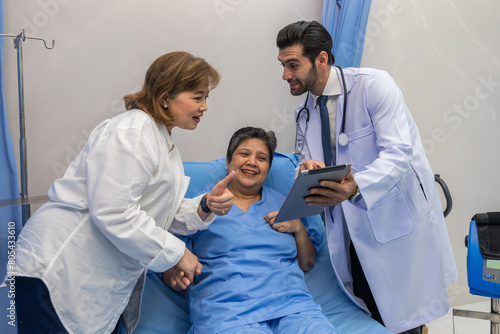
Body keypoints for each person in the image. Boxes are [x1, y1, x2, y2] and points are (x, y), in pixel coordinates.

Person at [5, 51, 235, 334]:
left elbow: (158, 214)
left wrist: (206, 205)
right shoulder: (133, 130)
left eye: (206, 98)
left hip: (89, 282)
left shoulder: (163, 143)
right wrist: (177, 255)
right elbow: (114, 212)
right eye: (198, 97)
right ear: (165, 95)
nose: (205, 107)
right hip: (58, 270)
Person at [276, 21, 458, 334]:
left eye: (293, 65)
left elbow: (399, 152)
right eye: (282, 65)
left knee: (402, 317)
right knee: (367, 311)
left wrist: (356, 183)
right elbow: (303, 160)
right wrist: (305, 169)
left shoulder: (374, 86)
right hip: (345, 228)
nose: (285, 75)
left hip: (389, 218)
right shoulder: (304, 112)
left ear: (321, 59)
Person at [163, 126, 338, 334]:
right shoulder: (200, 205)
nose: (252, 162)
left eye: (262, 158)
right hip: (228, 312)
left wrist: (298, 229)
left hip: (293, 308)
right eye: (244, 154)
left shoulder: (284, 203)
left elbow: (307, 263)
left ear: (268, 168)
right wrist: (176, 275)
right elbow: (172, 268)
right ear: (228, 161)